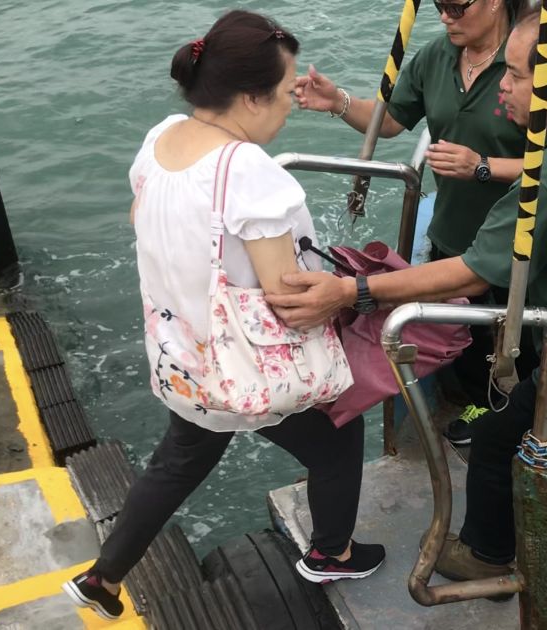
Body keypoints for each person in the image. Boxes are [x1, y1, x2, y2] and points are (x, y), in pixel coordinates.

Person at [266, 3, 547, 583]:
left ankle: (485, 555)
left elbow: (472, 274)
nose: (506, 87)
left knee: (497, 443)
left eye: (518, 75)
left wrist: (351, 290)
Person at [61, 12, 383, 621]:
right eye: (287, 94)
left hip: (187, 356)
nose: (291, 106)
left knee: (181, 458)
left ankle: (103, 577)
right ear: (250, 97)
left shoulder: (163, 138)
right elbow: (289, 297)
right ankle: (332, 552)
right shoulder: (252, 175)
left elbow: (143, 221)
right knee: (340, 437)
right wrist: (359, 292)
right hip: (245, 369)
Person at [294, 0, 536, 446]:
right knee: (467, 335)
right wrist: (338, 102)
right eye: (439, 6)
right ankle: (486, 405)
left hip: (522, 235)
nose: (445, 16)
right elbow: (391, 122)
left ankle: (529, 413)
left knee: (523, 334)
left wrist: (482, 166)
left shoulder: (526, 57)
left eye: (456, 6)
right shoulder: (435, 57)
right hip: (454, 232)